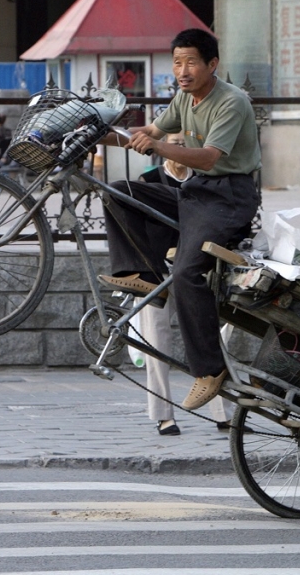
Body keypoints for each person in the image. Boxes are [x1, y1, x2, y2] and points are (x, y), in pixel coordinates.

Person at [98, 28, 261, 411]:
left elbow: (208, 158)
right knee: (120, 191)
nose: (182, 70)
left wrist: (157, 145)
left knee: (188, 272)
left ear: (212, 64)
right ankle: (145, 273)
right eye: (176, 62)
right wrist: (97, 136)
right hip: (196, 193)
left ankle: (209, 370)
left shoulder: (231, 102)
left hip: (228, 198)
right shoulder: (183, 98)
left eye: (190, 62)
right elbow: (148, 132)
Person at [136, 133, 191, 436]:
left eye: (184, 143)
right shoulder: (149, 179)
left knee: (214, 336)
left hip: (195, 268)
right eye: (173, 142)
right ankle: (163, 415)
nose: (178, 149)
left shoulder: (202, 179)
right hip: (157, 267)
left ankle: (224, 413)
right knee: (157, 341)